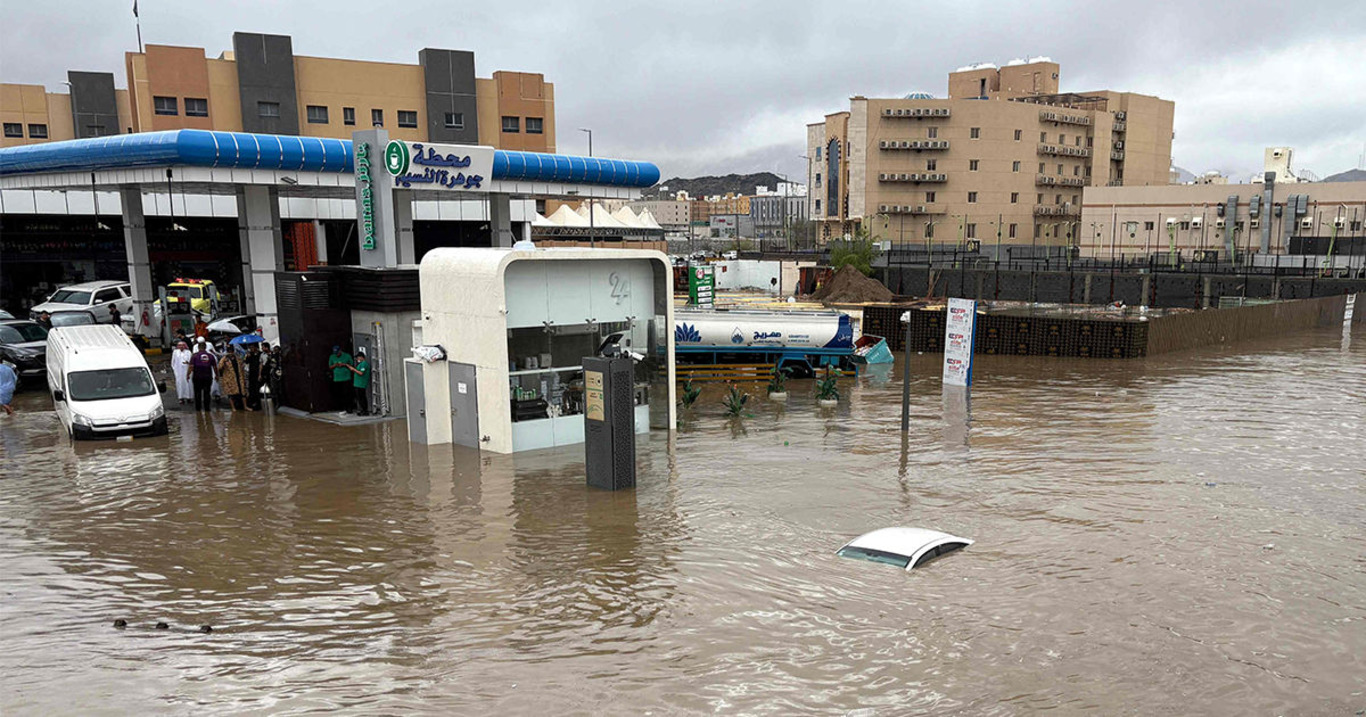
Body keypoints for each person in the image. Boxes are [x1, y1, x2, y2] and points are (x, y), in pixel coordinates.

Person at [216, 346, 249, 411]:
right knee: (231, 394)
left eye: (231, 351)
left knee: (242, 392)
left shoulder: (238, 358)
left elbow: (242, 366)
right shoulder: (224, 359)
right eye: (229, 351)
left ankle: (245, 406)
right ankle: (233, 408)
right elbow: (219, 367)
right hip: (230, 379)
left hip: (239, 378)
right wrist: (224, 359)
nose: (230, 353)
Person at [189, 340, 216, 411]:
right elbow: (215, 367)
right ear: (205, 347)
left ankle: (198, 409)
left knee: (197, 393)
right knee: (207, 392)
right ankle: (207, 408)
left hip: (197, 377)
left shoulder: (194, 356)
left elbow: (191, 366)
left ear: (198, 347)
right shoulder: (210, 356)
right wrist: (217, 375)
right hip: (208, 377)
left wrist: (187, 374)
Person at [327, 345, 353, 413]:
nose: (337, 354)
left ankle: (349, 408)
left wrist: (344, 364)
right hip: (337, 378)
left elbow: (352, 365)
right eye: (335, 353)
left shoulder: (347, 356)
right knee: (338, 394)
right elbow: (330, 367)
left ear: (340, 351)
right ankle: (341, 407)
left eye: (337, 353)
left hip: (346, 378)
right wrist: (335, 365)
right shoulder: (332, 357)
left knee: (347, 394)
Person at [347, 348, 371, 416]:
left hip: (361, 384)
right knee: (359, 398)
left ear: (361, 357)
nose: (357, 359)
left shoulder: (364, 364)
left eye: (358, 357)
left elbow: (361, 373)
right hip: (357, 384)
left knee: (362, 398)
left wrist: (353, 369)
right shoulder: (360, 364)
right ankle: (362, 410)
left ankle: (364, 410)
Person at [170, 340, 193, 405]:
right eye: (179, 345)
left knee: (188, 384)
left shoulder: (188, 352)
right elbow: (173, 362)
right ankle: (181, 398)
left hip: (187, 371)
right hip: (178, 372)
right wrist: (175, 370)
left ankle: (189, 398)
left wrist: (188, 363)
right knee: (180, 384)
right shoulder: (175, 352)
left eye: (182, 345)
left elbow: (191, 362)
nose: (181, 347)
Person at [245, 343, 262, 410]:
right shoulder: (250, 355)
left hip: (258, 374)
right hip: (251, 374)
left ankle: (258, 403)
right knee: (251, 388)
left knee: (257, 388)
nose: (251, 349)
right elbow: (246, 362)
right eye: (250, 347)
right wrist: (247, 356)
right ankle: (252, 402)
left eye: (252, 347)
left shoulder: (260, 354)